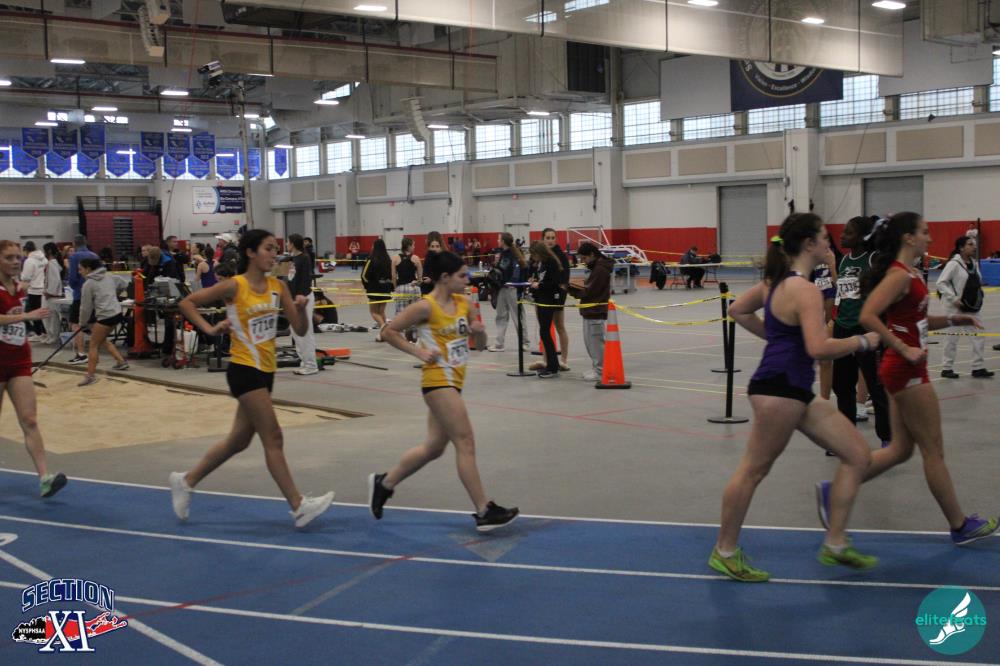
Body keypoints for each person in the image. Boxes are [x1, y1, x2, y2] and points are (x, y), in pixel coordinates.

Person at [709, 214, 880, 583]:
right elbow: (819, 348)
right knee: (753, 470)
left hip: (793, 388)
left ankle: (835, 543)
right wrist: (863, 341)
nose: (830, 244)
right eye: (824, 238)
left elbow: (737, 310)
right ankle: (725, 551)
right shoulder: (804, 290)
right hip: (779, 390)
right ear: (808, 244)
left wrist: (777, 338)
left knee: (857, 454)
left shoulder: (776, 284)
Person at [817, 212, 999, 547]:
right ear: (908, 238)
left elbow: (917, 319)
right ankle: (959, 524)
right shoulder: (898, 275)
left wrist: (954, 319)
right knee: (934, 450)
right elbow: (869, 314)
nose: (930, 237)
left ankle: (835, 490)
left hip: (903, 367)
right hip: (906, 369)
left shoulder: (911, 273)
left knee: (901, 449)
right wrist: (902, 346)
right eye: (924, 232)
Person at [172, 229, 334, 528]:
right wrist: (209, 329)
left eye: (276, 249)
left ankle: (186, 481)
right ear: (250, 252)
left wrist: (301, 311)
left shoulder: (278, 286)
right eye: (268, 249)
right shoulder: (235, 285)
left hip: (267, 371)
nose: (274, 255)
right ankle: (298, 506)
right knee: (273, 437)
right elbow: (187, 303)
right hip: (244, 369)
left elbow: (299, 330)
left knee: (238, 441)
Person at [368, 250, 519, 532]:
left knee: (433, 448)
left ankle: (384, 483)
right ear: (445, 278)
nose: (467, 279)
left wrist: (479, 332)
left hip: (455, 381)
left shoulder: (465, 303)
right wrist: (418, 351)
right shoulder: (425, 307)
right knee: (465, 441)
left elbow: (480, 345)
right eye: (462, 275)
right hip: (437, 381)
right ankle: (484, 509)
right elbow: (388, 332)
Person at [0, 240, 67, 498]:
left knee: (29, 419)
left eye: (18, 257)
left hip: (19, 360)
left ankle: (45, 478)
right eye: (9, 258)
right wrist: (26, 316)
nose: (16, 262)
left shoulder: (19, 287)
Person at [830, 217, 891, 447]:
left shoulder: (874, 259)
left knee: (876, 387)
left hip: (866, 329)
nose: (842, 235)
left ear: (862, 237)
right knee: (842, 386)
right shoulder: (844, 261)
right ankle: (847, 439)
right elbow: (843, 295)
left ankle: (886, 438)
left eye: (848, 232)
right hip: (843, 328)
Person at [936, 236, 992, 379]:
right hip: (954, 308)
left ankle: (978, 368)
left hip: (971, 307)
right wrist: (953, 298)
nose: (974, 247)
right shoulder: (953, 264)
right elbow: (941, 283)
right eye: (970, 244)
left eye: (974, 244)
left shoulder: (974, 263)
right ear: (961, 248)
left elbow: (977, 282)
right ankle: (947, 368)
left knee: (979, 335)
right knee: (952, 338)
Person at [76, 258, 130, 386]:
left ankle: (90, 376)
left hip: (106, 316)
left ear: (88, 269)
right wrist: (114, 295)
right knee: (101, 338)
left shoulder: (88, 284)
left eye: (80, 269)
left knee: (93, 345)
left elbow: (85, 307)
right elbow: (124, 284)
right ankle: (120, 361)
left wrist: (82, 323)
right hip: (117, 313)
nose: (79, 272)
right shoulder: (109, 276)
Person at [566, 242, 613, 382]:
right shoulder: (597, 267)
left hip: (595, 311)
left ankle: (600, 371)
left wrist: (570, 289)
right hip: (590, 310)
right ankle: (596, 368)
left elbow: (590, 292)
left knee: (596, 343)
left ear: (592, 255)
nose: (583, 261)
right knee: (591, 342)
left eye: (584, 258)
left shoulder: (600, 269)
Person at [486, 232, 529, 353]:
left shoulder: (514, 254)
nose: (497, 241)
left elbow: (517, 272)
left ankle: (524, 342)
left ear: (503, 241)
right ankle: (499, 344)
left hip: (512, 289)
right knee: (501, 316)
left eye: (499, 239)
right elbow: (501, 271)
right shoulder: (502, 254)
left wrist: (514, 285)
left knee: (518, 316)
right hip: (502, 288)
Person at [528, 241, 562, 378]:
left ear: (539, 252)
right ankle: (552, 364)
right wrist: (533, 281)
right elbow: (541, 279)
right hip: (541, 299)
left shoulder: (551, 262)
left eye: (534, 254)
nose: (533, 257)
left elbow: (553, 282)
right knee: (544, 332)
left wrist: (539, 285)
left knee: (544, 332)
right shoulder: (541, 263)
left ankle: (552, 367)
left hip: (548, 299)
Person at [285, 234, 318, 375]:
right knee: (295, 332)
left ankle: (311, 365)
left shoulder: (304, 258)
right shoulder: (291, 259)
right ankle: (304, 361)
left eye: (287, 242)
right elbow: (283, 276)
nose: (286, 244)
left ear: (292, 243)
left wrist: (300, 298)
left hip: (303, 299)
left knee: (306, 332)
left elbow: (306, 279)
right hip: (293, 300)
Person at [66, 235, 99, 365]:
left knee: (76, 324)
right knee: (93, 325)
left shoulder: (74, 257)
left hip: (79, 294)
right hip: (94, 294)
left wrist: (74, 287)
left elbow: (73, 277)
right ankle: (99, 352)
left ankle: (81, 353)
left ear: (74, 244)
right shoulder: (95, 256)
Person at [542, 228, 571, 371]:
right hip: (543, 296)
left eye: (552, 237)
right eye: (547, 238)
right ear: (543, 239)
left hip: (557, 296)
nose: (550, 240)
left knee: (560, 326)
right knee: (544, 328)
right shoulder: (541, 255)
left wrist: (560, 295)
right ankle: (546, 359)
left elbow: (565, 279)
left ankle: (564, 360)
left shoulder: (561, 256)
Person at [361, 239, 393, 340]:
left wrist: (367, 286)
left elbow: (364, 275)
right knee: (381, 312)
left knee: (374, 313)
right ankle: (384, 335)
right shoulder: (388, 260)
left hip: (374, 289)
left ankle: (384, 329)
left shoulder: (371, 259)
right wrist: (390, 286)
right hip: (386, 289)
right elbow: (392, 275)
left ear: (374, 247)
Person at [392, 238, 422, 341]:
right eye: (413, 245)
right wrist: (417, 283)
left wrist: (396, 288)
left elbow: (393, 276)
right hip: (413, 287)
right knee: (416, 312)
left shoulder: (395, 258)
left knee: (400, 312)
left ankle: (399, 335)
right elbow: (420, 277)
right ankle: (414, 334)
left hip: (401, 287)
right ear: (409, 246)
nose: (414, 247)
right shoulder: (416, 258)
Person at [18, 241, 47, 341]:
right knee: (42, 312)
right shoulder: (43, 258)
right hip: (43, 289)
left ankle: (39, 333)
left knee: (33, 313)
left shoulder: (29, 261)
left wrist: (21, 276)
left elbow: (26, 277)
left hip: (34, 290)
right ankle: (44, 332)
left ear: (26, 250)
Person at [42, 243, 64, 344]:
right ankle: (50, 334)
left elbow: (56, 280)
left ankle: (53, 335)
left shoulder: (52, 264)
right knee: (47, 316)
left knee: (52, 317)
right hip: (49, 293)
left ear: (49, 251)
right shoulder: (51, 263)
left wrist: (50, 292)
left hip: (51, 295)